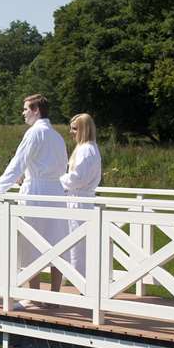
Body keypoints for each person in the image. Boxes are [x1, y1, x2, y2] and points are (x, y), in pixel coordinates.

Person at [0, 94, 68, 294]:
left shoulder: (34, 133)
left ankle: (34, 295)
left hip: (36, 192)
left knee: (31, 242)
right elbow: (62, 166)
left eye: (26, 109)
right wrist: (28, 174)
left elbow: (18, 161)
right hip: (56, 192)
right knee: (56, 242)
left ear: (36, 110)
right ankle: (55, 295)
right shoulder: (57, 136)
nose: (23, 113)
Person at [60, 113, 102, 280]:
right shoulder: (90, 148)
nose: (71, 132)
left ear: (84, 129)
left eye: (75, 129)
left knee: (78, 244)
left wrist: (57, 182)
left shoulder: (86, 150)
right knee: (79, 244)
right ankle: (81, 280)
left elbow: (77, 178)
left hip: (79, 201)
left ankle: (80, 281)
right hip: (80, 199)